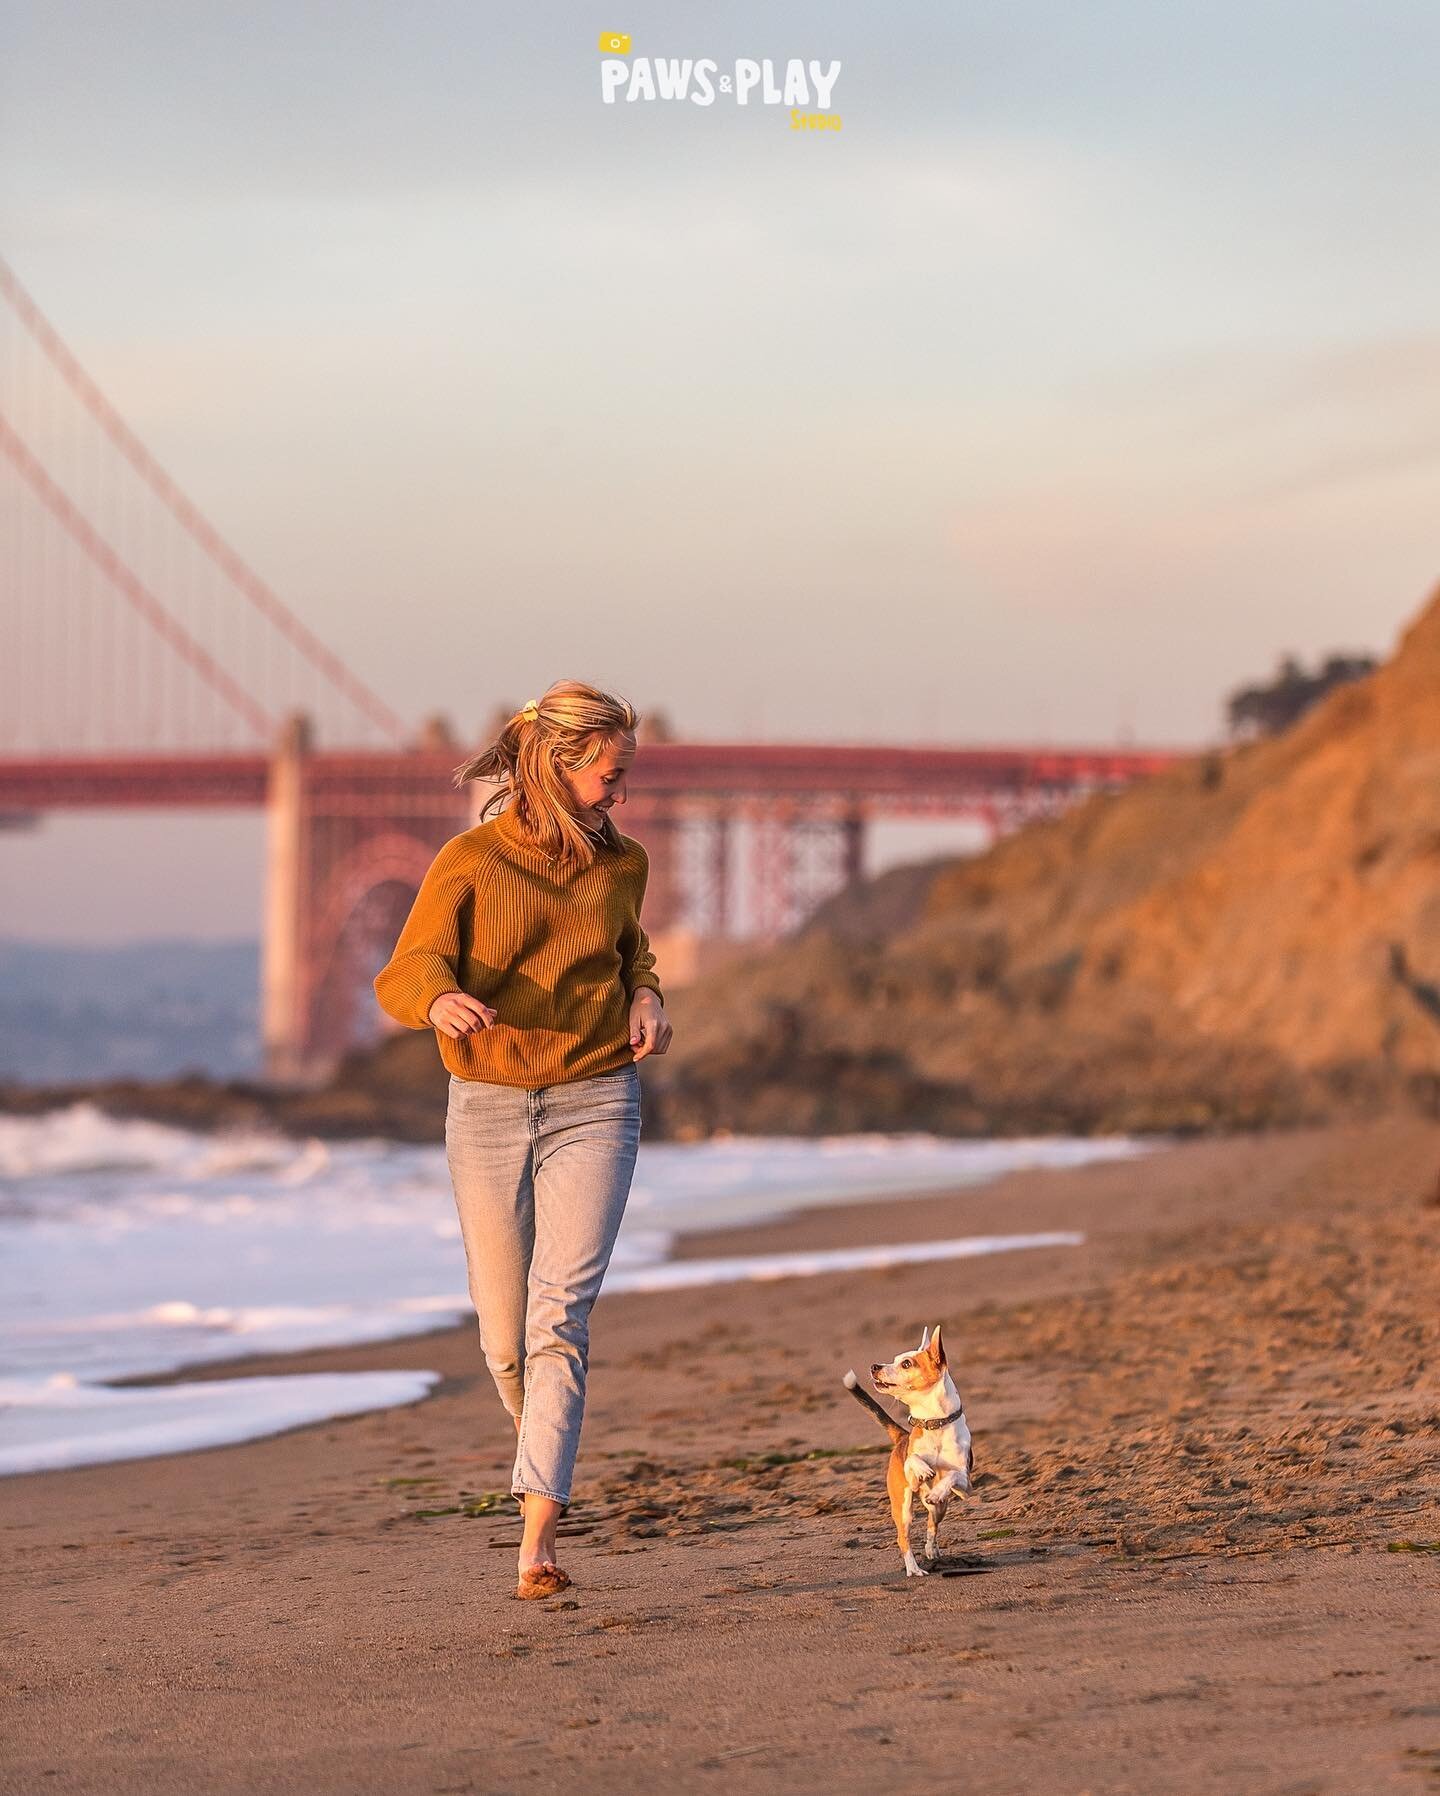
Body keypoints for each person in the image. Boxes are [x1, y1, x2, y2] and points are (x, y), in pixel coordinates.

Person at [373, 679, 671, 1599]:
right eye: (612, 775)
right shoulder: (469, 860)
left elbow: (632, 952)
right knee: (505, 1341)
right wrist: (435, 999)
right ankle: (544, 1438)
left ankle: (538, 1531)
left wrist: (650, 993)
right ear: (559, 763)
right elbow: (405, 969)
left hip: (596, 1099)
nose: (622, 793)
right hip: (490, 1107)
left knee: (558, 1317)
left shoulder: (624, 865)